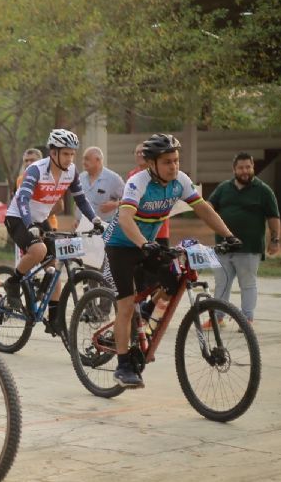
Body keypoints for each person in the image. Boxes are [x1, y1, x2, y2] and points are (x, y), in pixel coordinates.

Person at [102, 134, 238, 388]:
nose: (174, 166)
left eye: (176, 160)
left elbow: (203, 209)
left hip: (147, 244)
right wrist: (143, 244)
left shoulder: (180, 181)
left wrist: (228, 235)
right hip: (122, 245)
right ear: (152, 164)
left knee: (173, 281)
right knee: (126, 304)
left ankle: (145, 310)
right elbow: (125, 219)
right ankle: (123, 366)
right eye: (167, 162)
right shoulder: (137, 182)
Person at [3, 129, 104, 331]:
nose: (69, 158)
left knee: (54, 262)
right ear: (53, 153)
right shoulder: (36, 170)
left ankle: (54, 317)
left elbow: (81, 199)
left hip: (40, 219)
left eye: (72, 154)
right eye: (65, 153)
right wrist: (30, 225)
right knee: (38, 251)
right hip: (18, 217)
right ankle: (13, 282)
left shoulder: (71, 172)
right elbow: (22, 199)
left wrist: (95, 219)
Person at [206, 151, 280, 327]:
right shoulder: (224, 188)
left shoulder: (263, 190)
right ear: (234, 169)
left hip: (250, 248)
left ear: (253, 167)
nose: (245, 171)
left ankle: (246, 320)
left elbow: (273, 217)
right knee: (221, 283)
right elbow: (208, 206)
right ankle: (218, 318)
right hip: (223, 246)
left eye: (248, 167)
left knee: (247, 284)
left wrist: (275, 239)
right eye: (241, 168)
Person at [128, 142, 171, 247]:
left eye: (142, 152)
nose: (139, 155)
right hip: (138, 230)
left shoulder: (160, 172)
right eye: (137, 152)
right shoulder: (132, 175)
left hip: (159, 230)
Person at [77, 146, 125, 223]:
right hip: (82, 227)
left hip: (105, 227)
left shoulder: (113, 178)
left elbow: (129, 199)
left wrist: (115, 205)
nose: (83, 162)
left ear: (98, 160)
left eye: (87, 159)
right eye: (83, 159)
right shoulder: (80, 177)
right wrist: (77, 219)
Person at [16, 148, 60, 230]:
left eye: (32, 160)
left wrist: (39, 218)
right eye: (26, 160)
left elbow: (59, 206)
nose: (28, 163)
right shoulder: (20, 180)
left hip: (48, 225)